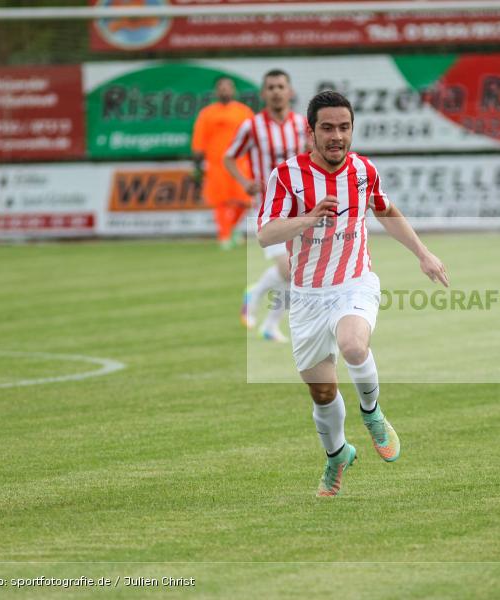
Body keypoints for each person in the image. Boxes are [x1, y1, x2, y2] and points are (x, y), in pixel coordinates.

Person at [257, 90, 449, 497]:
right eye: (327, 128)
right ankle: (337, 455)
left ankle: (373, 414)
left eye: (344, 127)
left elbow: (386, 211)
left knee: (353, 345)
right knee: (323, 395)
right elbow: (265, 234)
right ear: (311, 132)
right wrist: (308, 219)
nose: (337, 136)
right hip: (308, 296)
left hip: (354, 282)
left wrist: (423, 253)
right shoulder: (287, 176)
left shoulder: (363, 170)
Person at [225, 69, 308, 342]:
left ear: (290, 91)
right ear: (263, 93)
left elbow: (312, 156)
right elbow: (229, 157)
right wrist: (244, 181)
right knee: (287, 269)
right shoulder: (252, 126)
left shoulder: (301, 123)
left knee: (295, 272)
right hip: (268, 207)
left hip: (298, 207)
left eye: (280, 86)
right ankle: (256, 294)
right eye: (270, 87)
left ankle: (271, 325)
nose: (276, 91)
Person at [191, 76, 254, 250]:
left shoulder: (244, 112)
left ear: (233, 90)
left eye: (228, 87)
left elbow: (254, 138)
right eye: (222, 87)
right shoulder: (207, 113)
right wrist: (197, 162)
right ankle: (224, 236)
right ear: (216, 91)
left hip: (239, 163)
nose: (225, 90)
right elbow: (199, 140)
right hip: (217, 164)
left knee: (245, 200)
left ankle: (232, 228)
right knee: (221, 201)